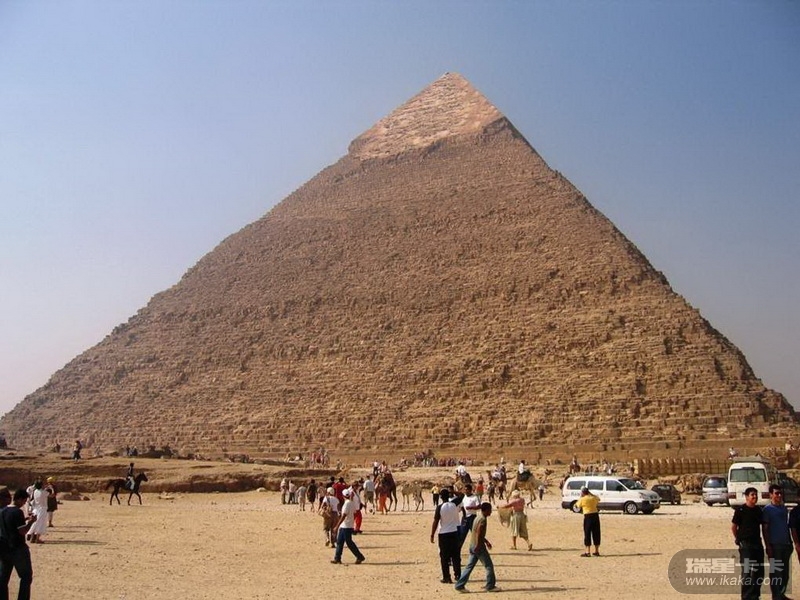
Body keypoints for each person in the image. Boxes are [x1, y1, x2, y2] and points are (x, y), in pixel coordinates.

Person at [0, 488, 37, 600]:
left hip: (4, 548)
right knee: (26, 577)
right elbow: (22, 531)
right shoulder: (17, 512)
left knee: (3, 579)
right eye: (24, 501)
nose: (24, 504)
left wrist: (24, 519)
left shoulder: (2, 511)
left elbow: (10, 523)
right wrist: (31, 522)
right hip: (18, 549)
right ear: (20, 499)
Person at [454, 502, 497, 593]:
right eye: (490, 510)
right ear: (486, 510)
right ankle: (490, 586)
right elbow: (479, 533)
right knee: (489, 565)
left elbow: (477, 532)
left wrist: (486, 541)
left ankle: (459, 585)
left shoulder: (477, 517)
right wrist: (479, 545)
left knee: (469, 566)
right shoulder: (482, 520)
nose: (491, 511)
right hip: (478, 547)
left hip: (472, 545)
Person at [733, 487, 764, 600]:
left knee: (759, 571)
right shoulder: (740, 510)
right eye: (752, 495)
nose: (755, 497)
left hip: (757, 543)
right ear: (746, 497)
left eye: (756, 495)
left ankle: (755, 595)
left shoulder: (758, 510)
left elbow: (763, 526)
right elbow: (734, 527)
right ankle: (746, 597)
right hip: (745, 544)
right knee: (747, 572)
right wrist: (739, 539)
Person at [762, 484, 792, 600]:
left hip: (786, 544)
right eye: (776, 493)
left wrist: (790, 542)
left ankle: (781, 594)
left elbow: (786, 526)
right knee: (776, 572)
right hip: (774, 546)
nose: (779, 495)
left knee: (785, 573)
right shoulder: (767, 510)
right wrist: (768, 546)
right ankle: (776, 596)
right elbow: (765, 529)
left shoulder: (784, 508)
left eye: (780, 493)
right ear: (771, 495)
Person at [430, 488, 461, 584]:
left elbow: (436, 521)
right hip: (454, 532)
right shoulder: (454, 504)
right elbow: (462, 495)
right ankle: (458, 575)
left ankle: (446, 577)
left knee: (444, 557)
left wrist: (432, 534)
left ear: (440, 497)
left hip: (443, 533)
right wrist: (453, 491)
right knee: (455, 555)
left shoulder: (440, 507)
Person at [331, 488, 365, 564]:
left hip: (346, 526)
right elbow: (354, 512)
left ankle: (360, 557)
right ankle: (337, 558)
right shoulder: (351, 503)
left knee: (349, 543)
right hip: (347, 525)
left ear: (343, 496)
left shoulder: (347, 504)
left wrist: (337, 526)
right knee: (340, 542)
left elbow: (344, 515)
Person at [575, 486, 601, 557]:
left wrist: (581, 497)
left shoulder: (582, 499)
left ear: (583, 492)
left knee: (587, 533)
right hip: (595, 515)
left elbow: (576, 506)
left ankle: (588, 551)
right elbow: (598, 499)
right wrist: (591, 494)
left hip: (588, 516)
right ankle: (596, 551)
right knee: (596, 533)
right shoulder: (594, 498)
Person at [459, 483, 481, 549]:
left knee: (476, 534)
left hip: (472, 517)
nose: (465, 491)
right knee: (461, 534)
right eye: (465, 490)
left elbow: (479, 506)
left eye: (467, 490)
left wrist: (471, 508)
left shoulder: (475, 497)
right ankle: (457, 550)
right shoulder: (464, 497)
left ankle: (480, 548)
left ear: (470, 490)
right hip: (465, 518)